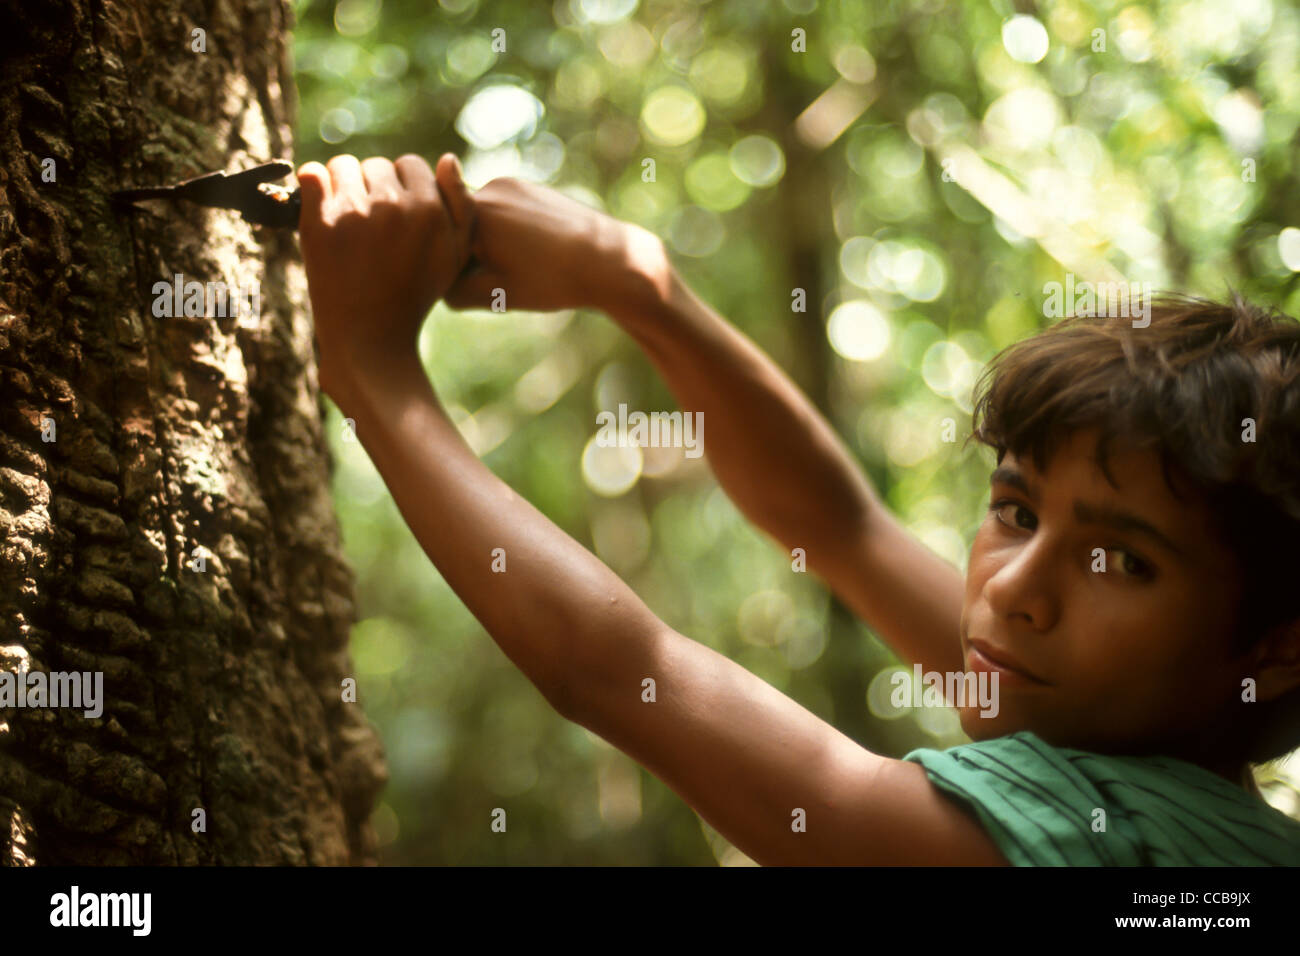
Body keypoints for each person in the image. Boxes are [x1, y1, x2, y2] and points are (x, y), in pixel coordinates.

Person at [294, 152, 1300, 865]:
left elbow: (615, 669)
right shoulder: (1128, 736)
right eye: (1016, 510)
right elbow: (838, 525)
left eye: (1121, 561)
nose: (1016, 588)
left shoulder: (1114, 841)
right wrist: (637, 285)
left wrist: (378, 372)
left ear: (1274, 645)